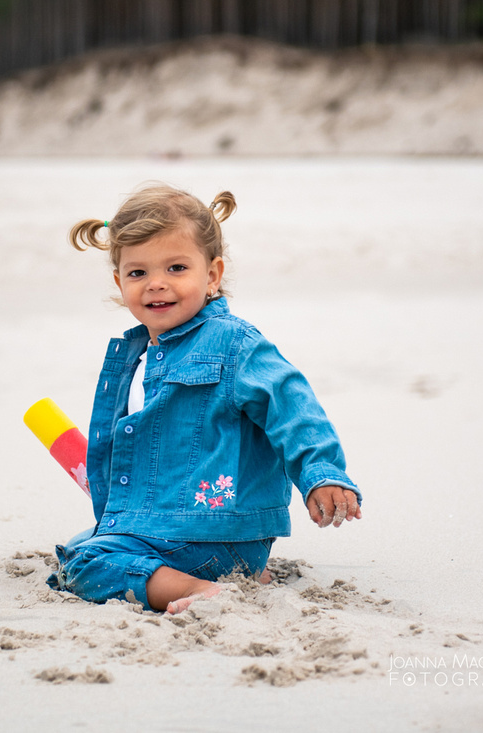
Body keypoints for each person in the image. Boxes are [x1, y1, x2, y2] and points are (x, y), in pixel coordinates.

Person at [46, 183, 362, 614]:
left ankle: (196, 589)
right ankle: (243, 572)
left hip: (206, 533)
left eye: (176, 268)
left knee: (80, 563)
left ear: (211, 274)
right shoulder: (144, 351)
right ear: (120, 282)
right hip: (202, 534)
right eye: (138, 273)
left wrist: (321, 473)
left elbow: (291, 406)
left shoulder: (233, 344)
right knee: (89, 539)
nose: (156, 284)